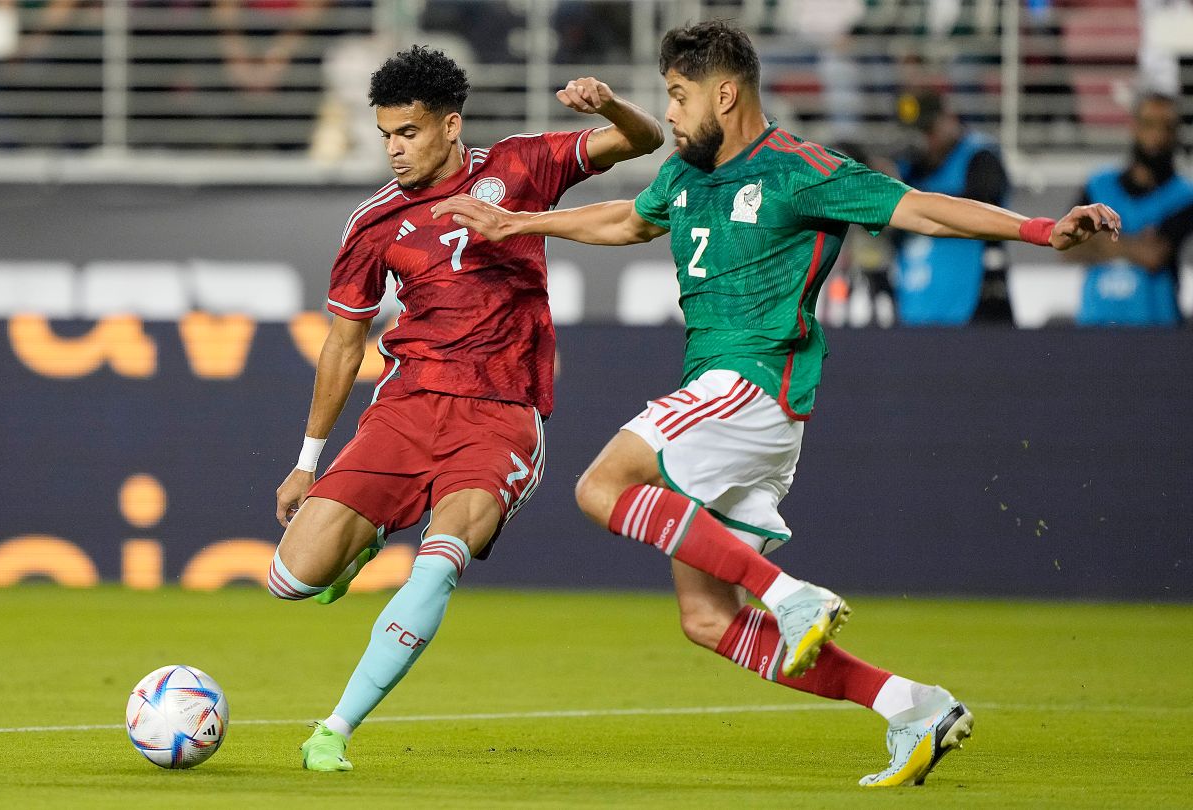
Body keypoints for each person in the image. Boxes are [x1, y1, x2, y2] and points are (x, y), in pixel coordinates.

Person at [434, 20, 1120, 787]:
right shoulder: (688, 173)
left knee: (602, 487)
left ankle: (792, 594)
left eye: (679, 95)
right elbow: (626, 219)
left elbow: (920, 207)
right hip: (739, 405)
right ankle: (910, 706)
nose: (671, 113)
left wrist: (1039, 228)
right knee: (707, 620)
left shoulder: (800, 169)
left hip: (750, 382)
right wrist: (521, 222)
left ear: (725, 94)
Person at [270, 44, 664, 772]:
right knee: (291, 578)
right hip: (407, 407)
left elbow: (647, 140)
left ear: (451, 126)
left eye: (409, 132)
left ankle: (335, 728)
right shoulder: (372, 223)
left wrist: (606, 104)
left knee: (437, 563)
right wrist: (306, 462)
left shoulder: (520, 167)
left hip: (499, 413)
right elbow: (342, 344)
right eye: (386, 133)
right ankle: (359, 543)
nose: (393, 149)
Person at [1063, 91, 1193, 326]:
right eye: (1149, 124)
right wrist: (1135, 246)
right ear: (1133, 126)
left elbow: (1154, 255)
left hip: (1157, 328)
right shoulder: (1098, 185)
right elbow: (1067, 248)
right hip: (1095, 323)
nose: (1158, 135)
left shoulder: (1184, 195)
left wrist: (1098, 241)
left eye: (1167, 127)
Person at [891, 87, 1015, 325]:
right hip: (916, 303)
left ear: (948, 118)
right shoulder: (908, 168)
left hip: (976, 303)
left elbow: (982, 204)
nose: (924, 141)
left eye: (928, 130)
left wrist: (913, 201)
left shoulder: (979, 156)